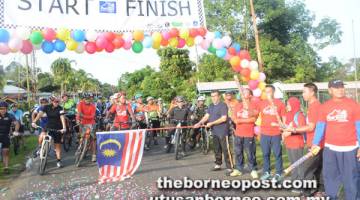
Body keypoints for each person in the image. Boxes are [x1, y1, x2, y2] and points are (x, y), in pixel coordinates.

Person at [311, 79, 360, 200]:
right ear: (330, 90)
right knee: (330, 179)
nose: (340, 89)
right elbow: (320, 127)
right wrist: (315, 143)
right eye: (336, 87)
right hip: (330, 150)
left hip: (350, 149)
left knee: (352, 179)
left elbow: (359, 126)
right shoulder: (324, 107)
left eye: (342, 87)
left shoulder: (353, 105)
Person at [284, 83, 325, 197]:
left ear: (312, 92)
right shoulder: (316, 105)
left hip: (314, 143)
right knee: (317, 168)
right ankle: (319, 191)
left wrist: (293, 130)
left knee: (307, 169)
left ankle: (306, 194)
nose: (303, 94)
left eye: (304, 92)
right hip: (319, 142)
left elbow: (311, 127)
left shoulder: (314, 106)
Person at [195, 90, 233, 176]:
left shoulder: (223, 105)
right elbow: (207, 116)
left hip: (223, 131)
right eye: (212, 96)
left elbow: (224, 118)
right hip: (214, 131)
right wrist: (199, 123)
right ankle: (218, 164)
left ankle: (230, 167)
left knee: (225, 149)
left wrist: (211, 123)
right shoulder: (211, 106)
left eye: (215, 96)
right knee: (217, 149)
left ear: (219, 96)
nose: (213, 98)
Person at [256, 85, 286, 182]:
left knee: (277, 154)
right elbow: (255, 113)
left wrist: (283, 129)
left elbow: (284, 119)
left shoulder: (280, 103)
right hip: (264, 133)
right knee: (265, 154)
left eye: (269, 91)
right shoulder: (262, 103)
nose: (268, 93)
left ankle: (278, 173)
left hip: (276, 133)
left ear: (273, 92)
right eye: (266, 91)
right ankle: (266, 172)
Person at [230, 88, 258, 179]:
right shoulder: (238, 105)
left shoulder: (254, 105)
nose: (243, 93)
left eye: (245, 92)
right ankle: (238, 169)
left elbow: (253, 119)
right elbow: (234, 117)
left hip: (249, 133)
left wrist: (240, 120)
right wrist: (237, 120)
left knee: (250, 152)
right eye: (242, 92)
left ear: (250, 95)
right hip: (238, 133)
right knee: (238, 152)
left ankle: (253, 169)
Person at [32, 96, 66, 168]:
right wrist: (34, 121)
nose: (56, 103)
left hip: (57, 128)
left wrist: (64, 127)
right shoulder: (46, 107)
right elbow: (39, 114)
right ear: (52, 101)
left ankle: (59, 161)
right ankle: (41, 148)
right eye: (55, 101)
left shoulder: (60, 108)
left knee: (57, 145)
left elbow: (62, 118)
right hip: (48, 126)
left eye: (58, 102)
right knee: (42, 135)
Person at [282, 97, 306, 193]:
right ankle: (294, 181)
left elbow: (302, 129)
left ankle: (300, 185)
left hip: (297, 143)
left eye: (288, 104)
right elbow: (287, 127)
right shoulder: (288, 114)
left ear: (293, 104)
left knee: (298, 164)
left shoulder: (299, 115)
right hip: (289, 143)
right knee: (293, 164)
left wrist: (290, 133)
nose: (287, 106)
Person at [76, 93, 97, 162]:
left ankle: (94, 155)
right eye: (86, 98)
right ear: (84, 99)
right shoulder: (80, 104)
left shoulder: (93, 106)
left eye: (89, 98)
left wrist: (83, 116)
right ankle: (80, 147)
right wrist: (78, 119)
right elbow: (79, 113)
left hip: (91, 123)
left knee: (93, 139)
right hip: (82, 122)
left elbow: (92, 116)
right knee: (81, 136)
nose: (87, 100)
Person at [0, 101, 20, 173]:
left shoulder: (10, 115)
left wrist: (16, 131)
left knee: (6, 151)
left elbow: (17, 123)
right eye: (1, 108)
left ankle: (6, 168)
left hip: (5, 135)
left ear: (6, 109)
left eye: (4, 108)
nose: (2, 110)